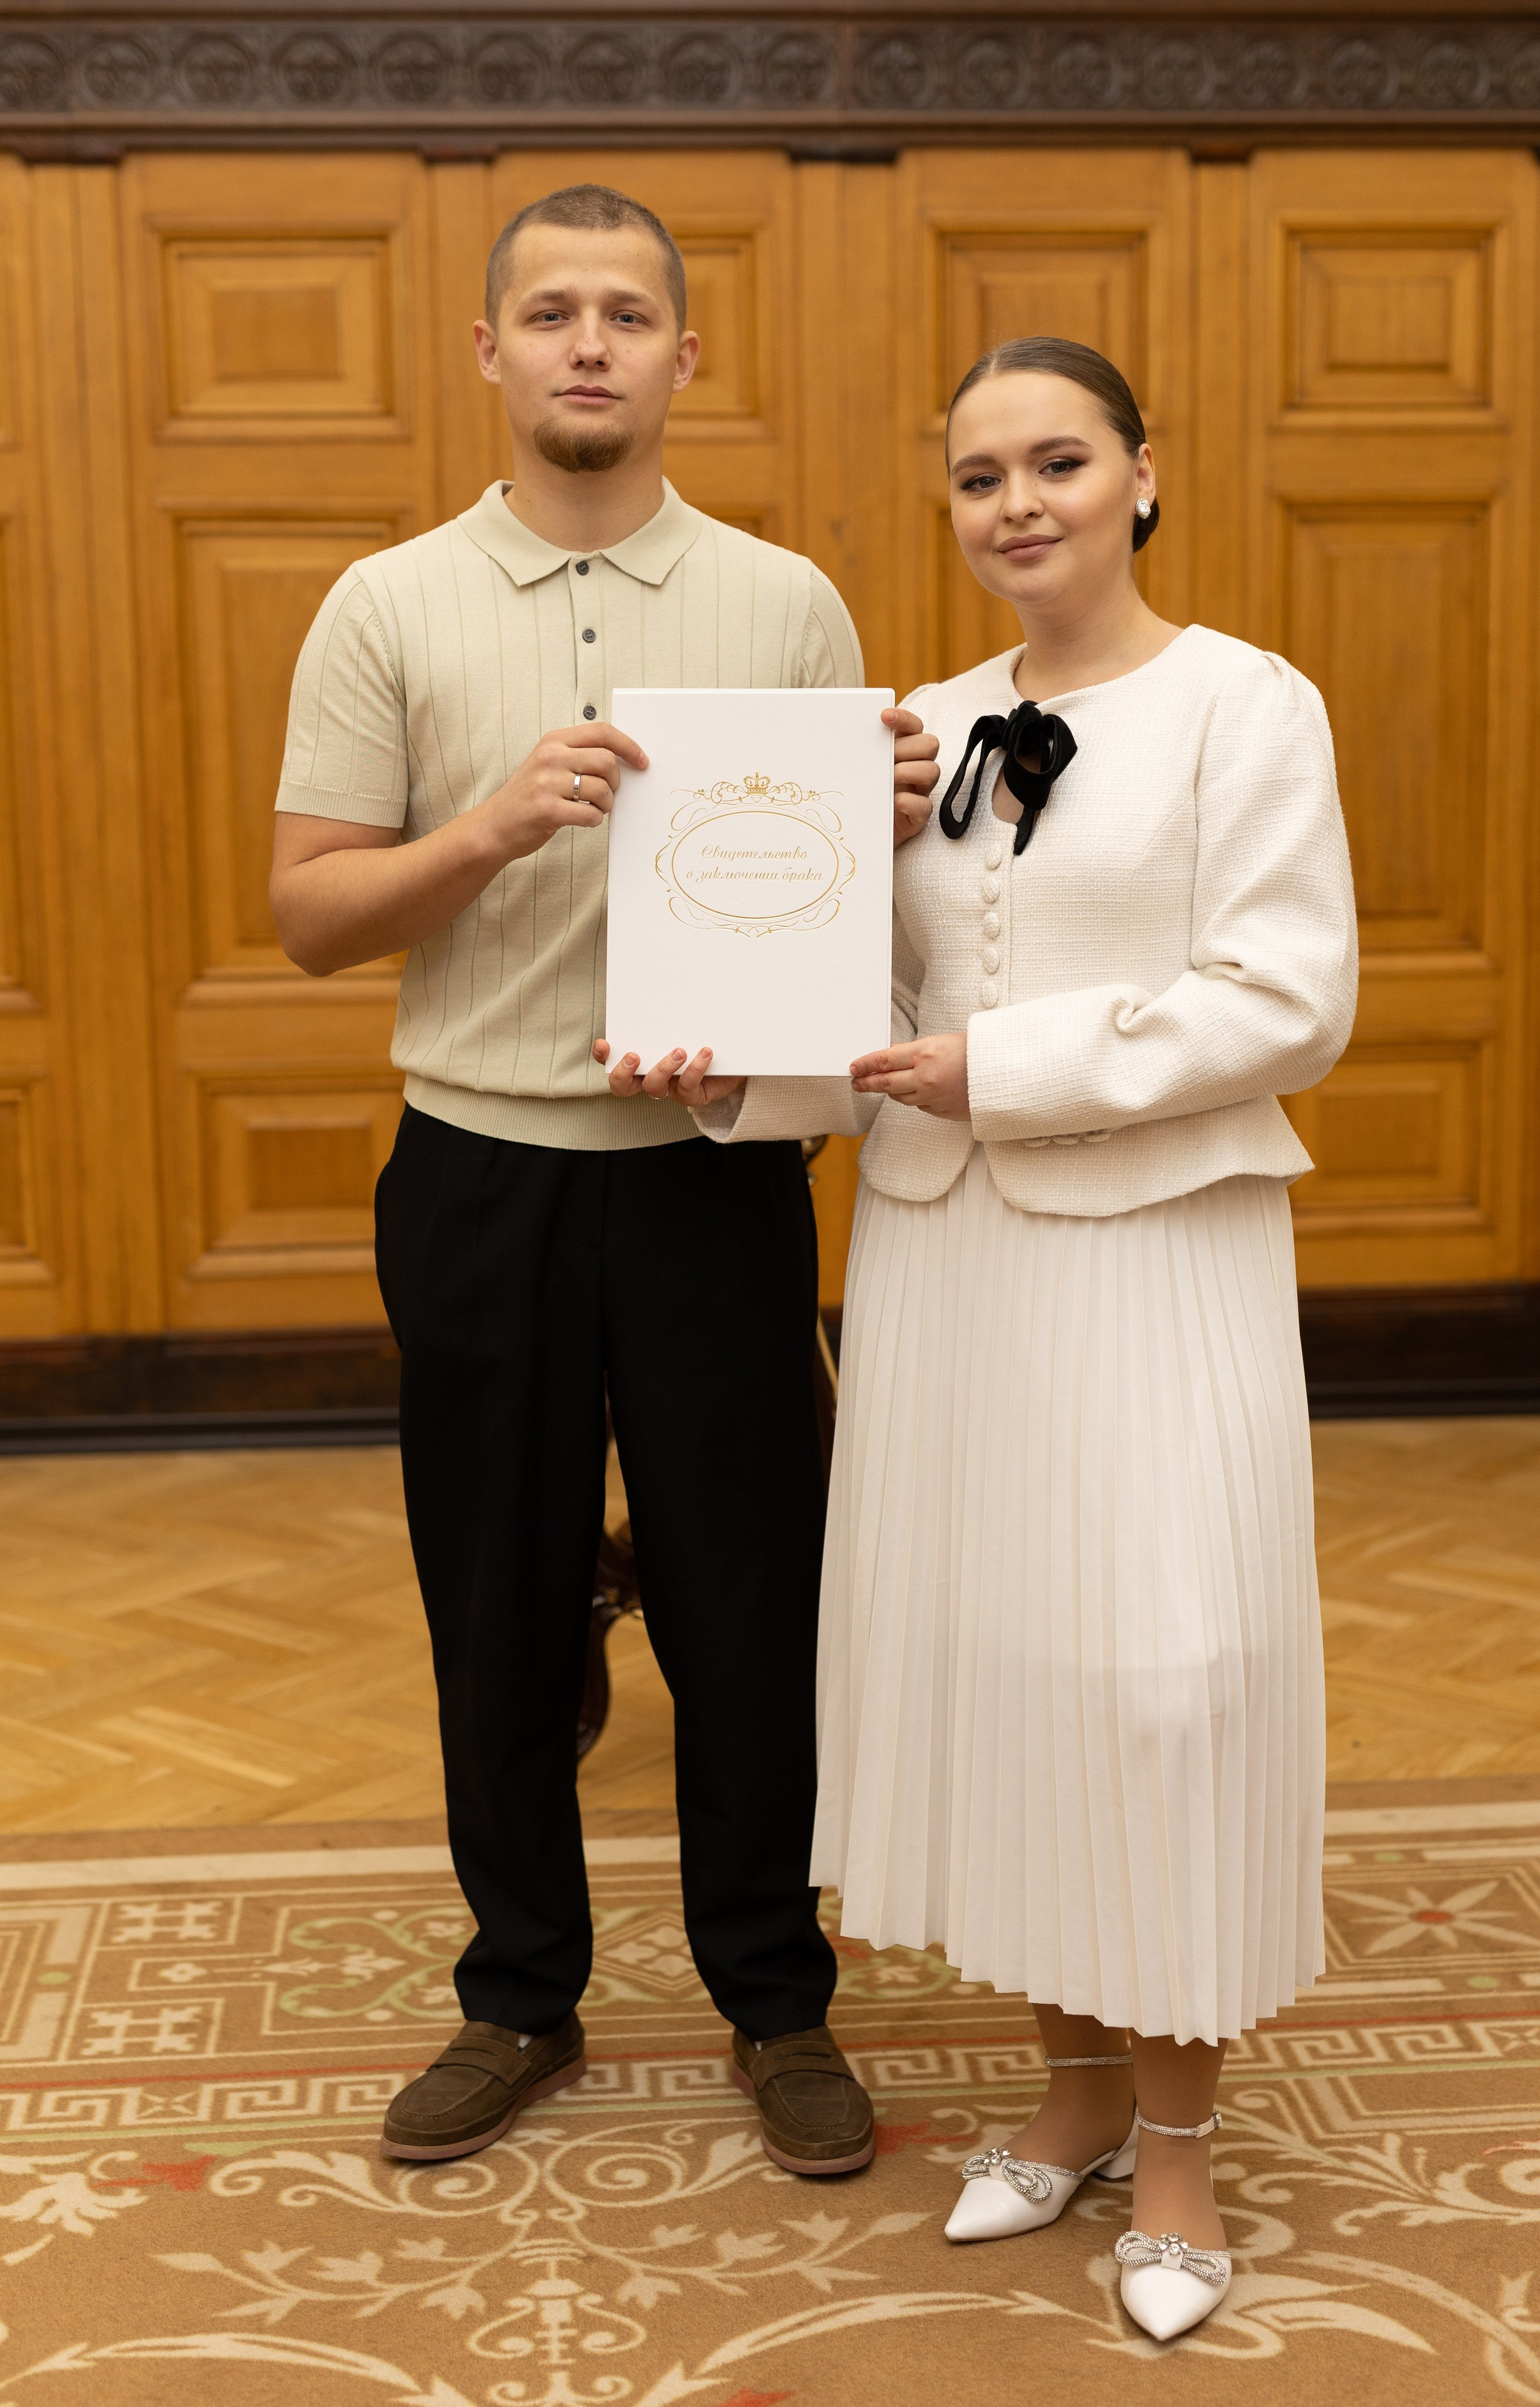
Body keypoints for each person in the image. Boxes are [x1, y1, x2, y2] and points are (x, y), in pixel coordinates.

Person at [636, 336, 1357, 2339]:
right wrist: (728, 1067)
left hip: (1154, 1263)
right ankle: (1074, 2097)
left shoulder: (1244, 705)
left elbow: (1290, 995)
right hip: (947, 1276)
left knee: (1161, 1689)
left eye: (1058, 462)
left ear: (1143, 474)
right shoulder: (915, 728)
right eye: (980, 477)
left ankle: (1182, 2155)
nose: (1018, 504)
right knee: (1011, 1680)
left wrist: (1006, 1065)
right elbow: (865, 1015)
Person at [268, 183, 939, 2174]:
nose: (589, 342)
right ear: (490, 351)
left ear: (681, 356)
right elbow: (309, 915)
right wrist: (487, 829)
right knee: (497, 1598)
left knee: (752, 1598)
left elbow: (827, 913)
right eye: (551, 311)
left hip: (714, 1184)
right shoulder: (385, 605)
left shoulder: (787, 602)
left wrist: (887, 822)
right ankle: (518, 1994)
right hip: (479, 1176)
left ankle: (777, 1999)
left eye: (627, 313)